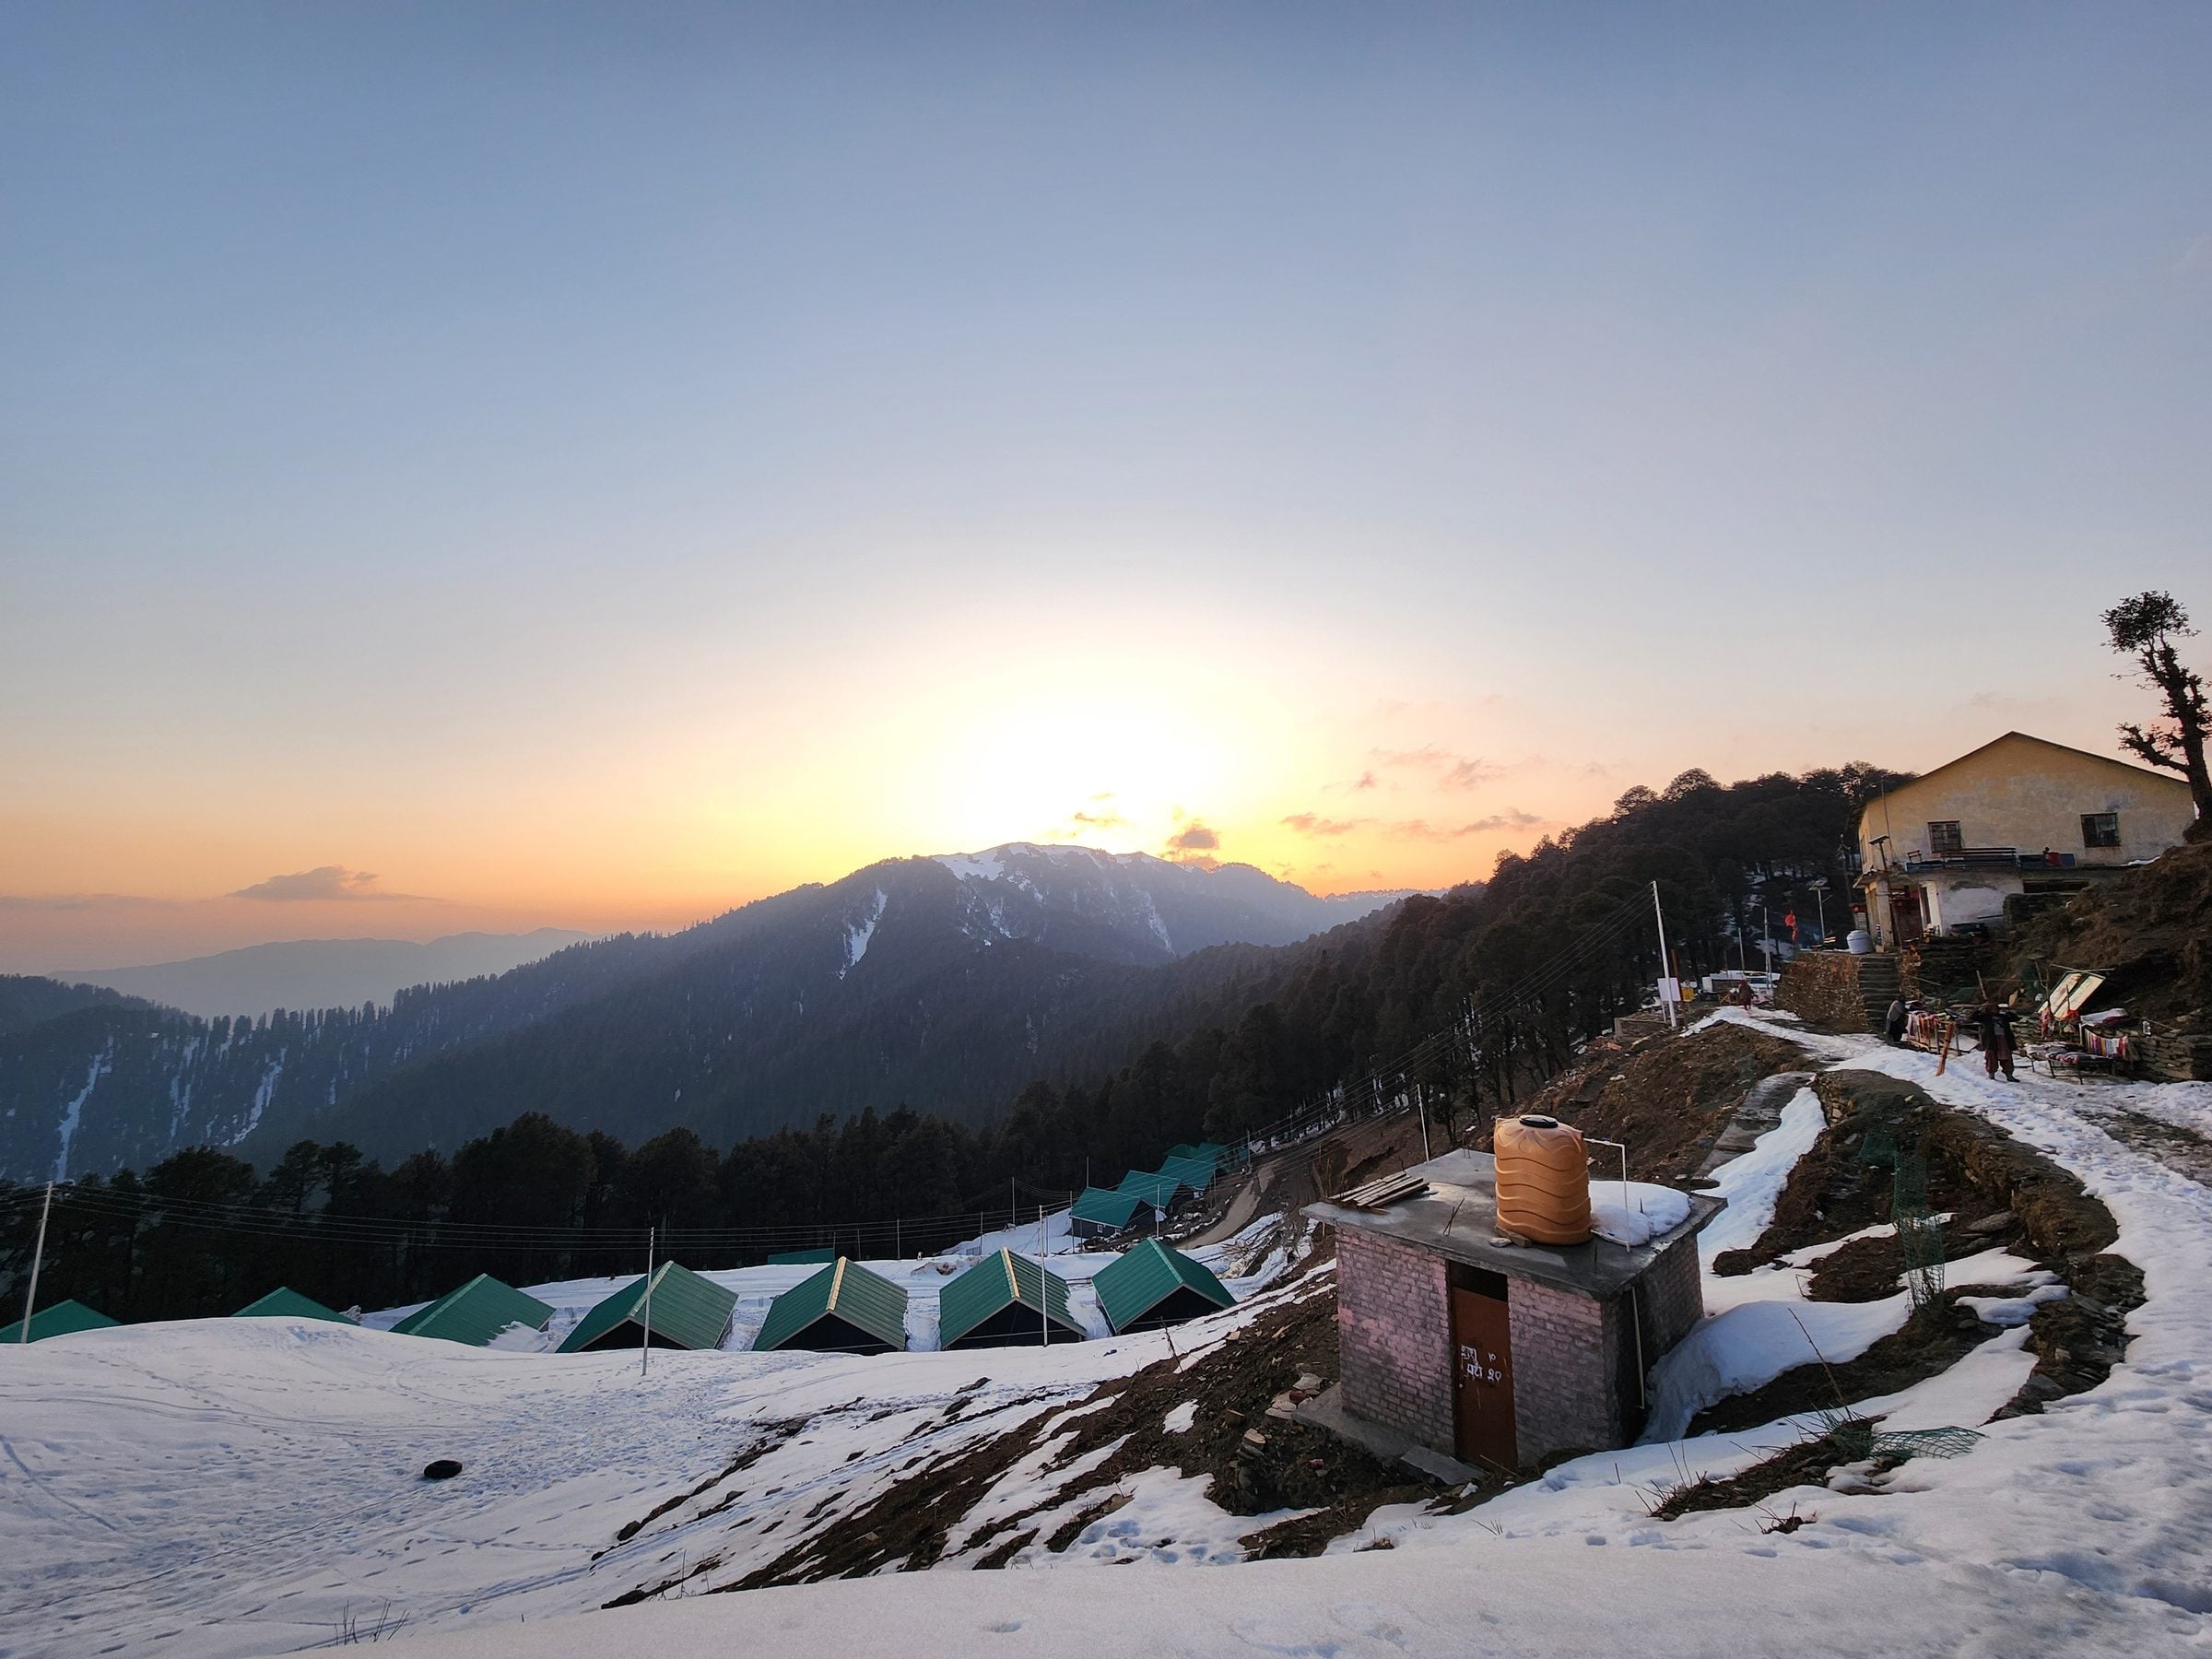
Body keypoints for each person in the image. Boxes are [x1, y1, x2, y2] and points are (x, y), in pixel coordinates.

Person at [1977, 1001, 2017, 1081]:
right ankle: (1991, 1074)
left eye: (1996, 1008)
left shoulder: (2003, 1017)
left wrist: (2008, 1011)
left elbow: (2015, 1018)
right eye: (1992, 1008)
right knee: (1992, 1057)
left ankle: (2009, 1075)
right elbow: (1973, 1017)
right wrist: (1980, 1010)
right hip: (1991, 1040)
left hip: (2004, 1039)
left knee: (2007, 1057)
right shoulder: (1986, 1017)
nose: (1994, 1010)